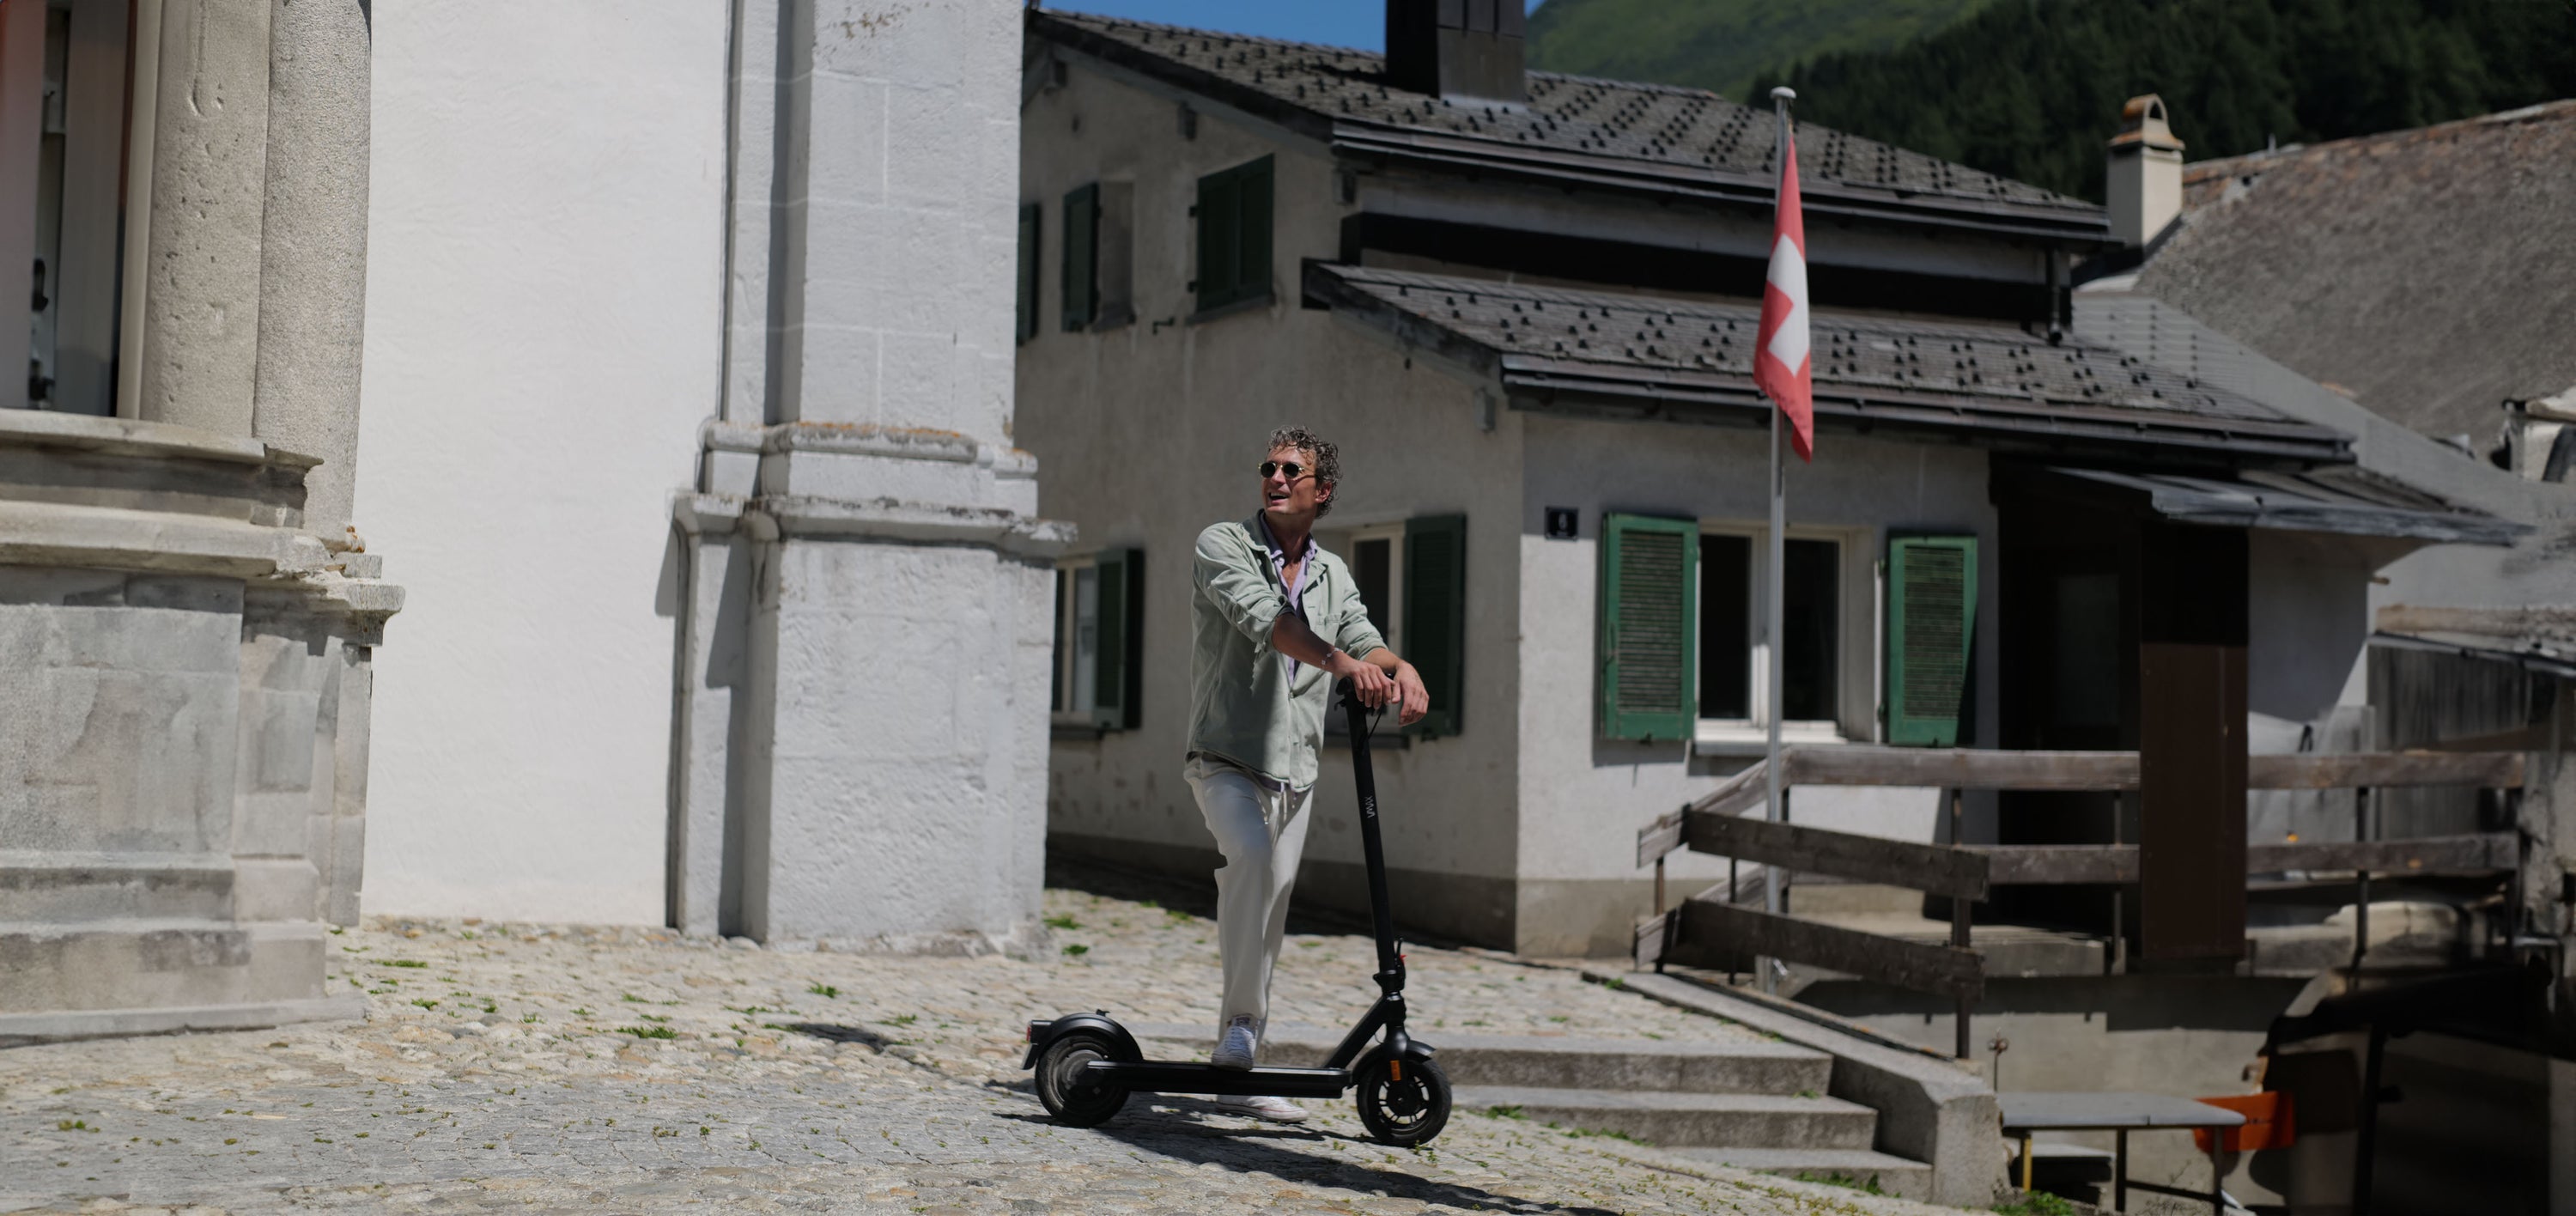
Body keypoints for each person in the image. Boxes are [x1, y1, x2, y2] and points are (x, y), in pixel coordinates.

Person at [1187, 427, 1430, 1124]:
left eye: (1292, 470)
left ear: (1322, 491)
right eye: (1268, 466)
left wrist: (1399, 668)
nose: (1275, 477)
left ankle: (1241, 1062)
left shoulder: (1332, 573)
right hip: (1225, 757)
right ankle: (1240, 1026)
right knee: (1252, 859)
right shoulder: (1222, 545)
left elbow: (1359, 637)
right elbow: (1266, 620)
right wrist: (1343, 664)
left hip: (1295, 772)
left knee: (1272, 903)